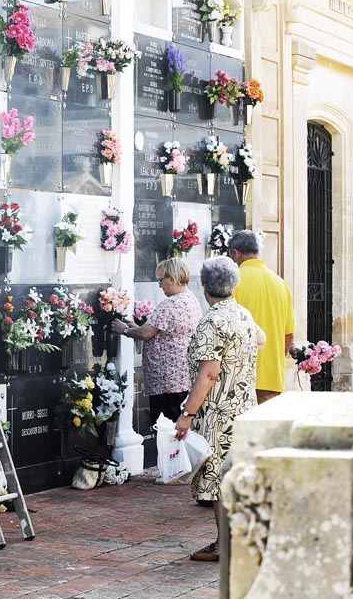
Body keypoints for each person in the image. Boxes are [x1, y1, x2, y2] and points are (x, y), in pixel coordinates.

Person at [174, 257, 265, 562]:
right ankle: (235, 539)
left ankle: (224, 543)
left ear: (205, 287)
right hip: (242, 404)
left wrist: (187, 414)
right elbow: (261, 339)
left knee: (218, 480)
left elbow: (208, 374)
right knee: (233, 476)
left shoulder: (212, 320)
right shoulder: (242, 313)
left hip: (217, 412)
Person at [109, 258, 201, 424]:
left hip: (166, 380)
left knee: (165, 428)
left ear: (172, 279)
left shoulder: (171, 303)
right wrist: (135, 327)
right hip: (181, 376)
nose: (159, 285)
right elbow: (163, 331)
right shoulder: (190, 299)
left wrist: (124, 329)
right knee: (175, 425)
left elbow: (146, 333)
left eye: (161, 280)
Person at [230, 230, 294, 403]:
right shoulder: (281, 283)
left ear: (236, 253)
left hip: (240, 377)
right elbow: (288, 334)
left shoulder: (234, 281)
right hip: (273, 378)